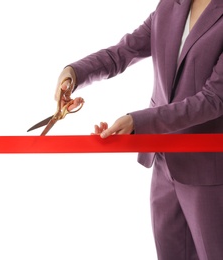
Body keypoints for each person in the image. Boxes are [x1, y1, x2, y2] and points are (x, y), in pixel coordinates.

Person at [55, 0, 223, 259]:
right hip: (164, 164)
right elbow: (122, 52)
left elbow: (213, 100)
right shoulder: (171, 5)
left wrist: (139, 122)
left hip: (208, 171)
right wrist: (74, 74)